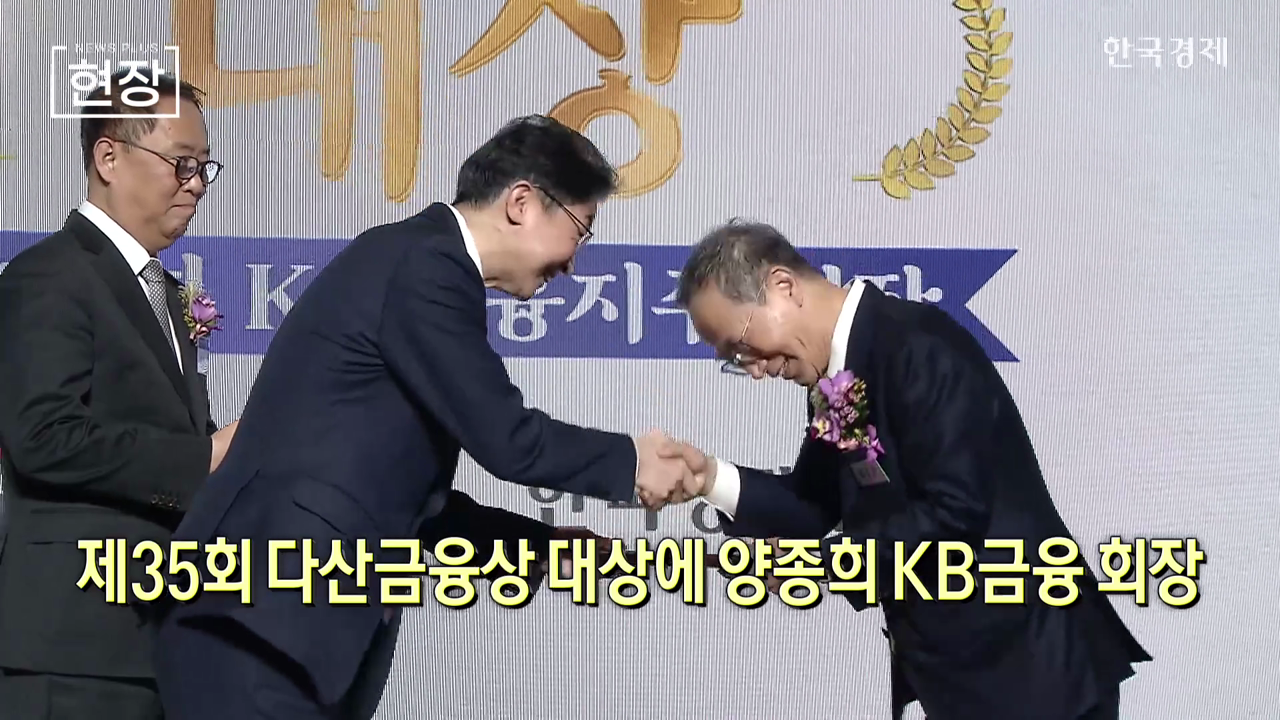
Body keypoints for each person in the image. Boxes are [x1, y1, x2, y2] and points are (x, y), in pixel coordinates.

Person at [153, 115, 699, 719]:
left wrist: (542, 546)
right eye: (580, 230)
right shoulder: (426, 264)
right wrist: (632, 463)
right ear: (522, 203)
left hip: (284, 631)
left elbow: (411, 499)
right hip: (256, 622)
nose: (573, 264)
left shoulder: (419, 263)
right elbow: (509, 439)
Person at [667, 220, 1152, 720]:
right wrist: (706, 479)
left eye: (742, 344)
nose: (752, 369)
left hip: (1033, 672)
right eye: (733, 359)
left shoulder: (915, 344)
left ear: (783, 287)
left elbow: (954, 514)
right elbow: (812, 506)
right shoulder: (841, 374)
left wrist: (816, 564)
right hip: (966, 678)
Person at [0, 70, 238, 720]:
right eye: (181, 163)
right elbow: (43, 438)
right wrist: (203, 458)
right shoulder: (49, 276)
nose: (196, 183)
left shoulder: (162, 291)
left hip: (154, 643)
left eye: (204, 167)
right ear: (109, 157)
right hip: (73, 650)